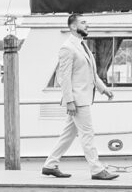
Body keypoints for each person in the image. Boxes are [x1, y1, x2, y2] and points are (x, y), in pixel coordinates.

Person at [42, 13, 118, 180]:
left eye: (87, 23)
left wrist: (104, 89)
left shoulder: (83, 46)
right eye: (83, 23)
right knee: (88, 134)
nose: (87, 25)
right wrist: (69, 101)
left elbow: (91, 73)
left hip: (83, 98)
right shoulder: (67, 48)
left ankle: (50, 165)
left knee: (68, 134)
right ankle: (97, 170)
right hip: (77, 100)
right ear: (73, 27)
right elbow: (64, 78)